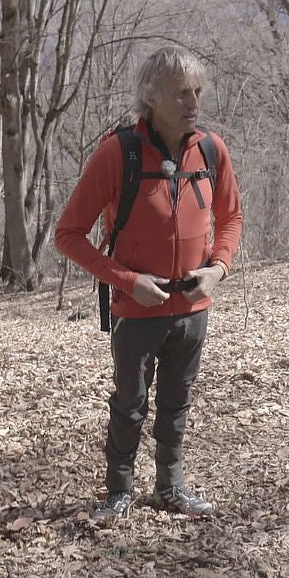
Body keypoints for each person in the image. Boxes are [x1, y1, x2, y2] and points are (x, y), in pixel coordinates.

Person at [54, 46, 244, 527]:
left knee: (177, 400)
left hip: (193, 309)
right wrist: (127, 281)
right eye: (181, 92)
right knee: (130, 404)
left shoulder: (210, 150)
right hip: (136, 312)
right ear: (150, 96)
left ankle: (170, 486)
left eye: (197, 92)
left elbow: (231, 218)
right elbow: (68, 235)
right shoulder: (118, 153)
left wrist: (218, 269)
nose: (192, 102)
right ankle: (119, 491)